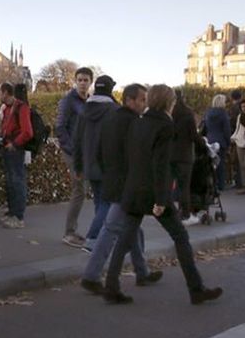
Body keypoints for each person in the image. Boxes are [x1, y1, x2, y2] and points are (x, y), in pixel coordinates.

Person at [104, 84, 223, 305]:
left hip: (133, 190)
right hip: (154, 193)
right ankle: (196, 288)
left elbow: (133, 158)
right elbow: (160, 166)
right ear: (168, 103)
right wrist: (160, 199)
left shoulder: (138, 123)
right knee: (180, 237)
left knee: (124, 239)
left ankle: (111, 286)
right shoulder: (165, 126)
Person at [80, 84, 163, 294]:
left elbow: (99, 151)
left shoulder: (110, 119)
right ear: (129, 100)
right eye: (142, 100)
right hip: (127, 184)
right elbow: (139, 157)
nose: (145, 104)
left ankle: (142, 271)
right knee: (112, 229)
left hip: (112, 179)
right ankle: (91, 275)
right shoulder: (135, 123)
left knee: (132, 228)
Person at [73, 75, 118, 251]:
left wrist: (78, 166)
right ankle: (92, 238)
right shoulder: (114, 110)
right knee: (107, 203)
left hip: (89, 164)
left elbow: (77, 140)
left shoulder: (84, 110)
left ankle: (102, 236)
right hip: (108, 164)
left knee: (100, 203)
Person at [56, 67, 93, 248]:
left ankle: (72, 230)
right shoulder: (68, 101)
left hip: (85, 152)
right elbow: (60, 127)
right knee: (79, 189)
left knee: (81, 191)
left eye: (86, 80)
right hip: (73, 153)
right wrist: (71, 149)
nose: (83, 83)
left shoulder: (89, 102)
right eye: (80, 80)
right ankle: (69, 232)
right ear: (75, 81)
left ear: (91, 82)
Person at [0, 83, 33, 229]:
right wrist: (1, 134)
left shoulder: (20, 108)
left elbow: (27, 131)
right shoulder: (8, 109)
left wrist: (15, 143)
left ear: (6, 92)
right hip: (9, 148)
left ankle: (18, 216)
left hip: (15, 149)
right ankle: (12, 213)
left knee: (17, 181)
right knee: (11, 181)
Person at [171, 89, 208, 225]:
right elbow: (193, 135)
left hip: (170, 154)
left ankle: (170, 213)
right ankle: (185, 214)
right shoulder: (187, 114)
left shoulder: (169, 114)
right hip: (184, 154)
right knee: (184, 186)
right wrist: (202, 142)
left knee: (169, 185)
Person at [203, 94, 231, 191]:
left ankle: (211, 184)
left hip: (209, 140)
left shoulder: (208, 113)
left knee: (210, 163)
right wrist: (228, 143)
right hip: (221, 141)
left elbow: (204, 127)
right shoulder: (223, 114)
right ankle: (221, 185)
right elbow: (227, 130)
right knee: (221, 163)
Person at [228, 90, 243, 190]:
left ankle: (239, 183)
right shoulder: (240, 107)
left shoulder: (233, 108)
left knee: (237, 161)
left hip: (237, 137)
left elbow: (232, 123)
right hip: (240, 136)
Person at [231, 99, 245, 195]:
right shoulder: (240, 116)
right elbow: (237, 128)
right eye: (243, 107)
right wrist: (233, 137)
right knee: (242, 165)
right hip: (240, 142)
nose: (244, 108)